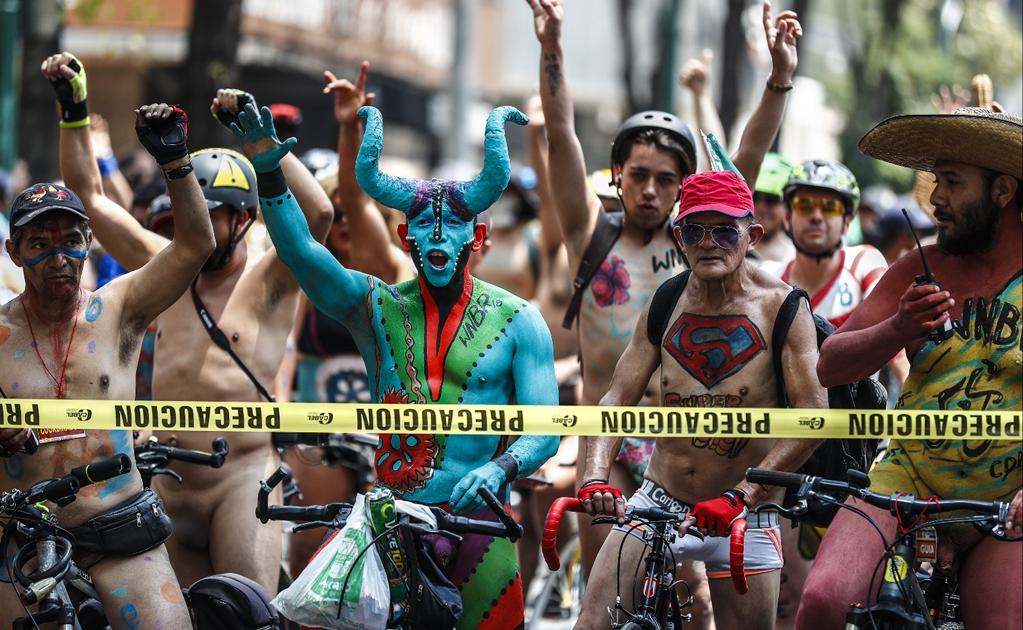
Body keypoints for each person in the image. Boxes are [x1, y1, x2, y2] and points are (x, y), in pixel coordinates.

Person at [237, 95, 559, 628]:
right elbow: (302, 254)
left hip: (485, 524)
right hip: (393, 526)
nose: (438, 235)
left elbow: (546, 428)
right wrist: (268, 171)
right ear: (405, 236)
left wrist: (499, 467)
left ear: (477, 237)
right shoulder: (376, 307)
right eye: (424, 226)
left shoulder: (520, 320)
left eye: (454, 225)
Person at [526, 0, 803, 604]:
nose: (650, 190)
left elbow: (743, 166)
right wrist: (552, 48)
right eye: (638, 175)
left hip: (682, 448)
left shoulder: (698, 246)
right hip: (610, 437)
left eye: (666, 179)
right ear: (617, 175)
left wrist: (780, 79)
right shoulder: (589, 235)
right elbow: (562, 135)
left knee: (694, 597)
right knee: (611, 588)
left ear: (684, 190)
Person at [51, 52, 334, 596]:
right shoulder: (165, 264)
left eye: (210, 212)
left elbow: (318, 214)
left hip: (242, 479)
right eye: (190, 209)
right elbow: (89, 198)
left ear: (243, 215)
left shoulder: (273, 274)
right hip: (167, 478)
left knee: (243, 611)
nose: (195, 221)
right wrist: (74, 110)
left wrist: (260, 140)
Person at [799, 107, 1023, 629]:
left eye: (951, 183)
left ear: (1003, 191)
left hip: (1007, 496)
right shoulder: (917, 269)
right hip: (906, 478)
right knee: (823, 601)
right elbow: (829, 366)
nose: (935, 201)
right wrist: (896, 329)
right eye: (933, 182)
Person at [576, 170, 828, 630]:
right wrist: (594, 478)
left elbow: (813, 416)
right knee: (593, 623)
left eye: (724, 230)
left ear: (752, 235)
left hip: (747, 513)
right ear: (680, 237)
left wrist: (743, 495)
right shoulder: (665, 301)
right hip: (661, 500)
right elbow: (615, 399)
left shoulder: (784, 307)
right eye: (695, 230)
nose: (709, 242)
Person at [0, 91, 215, 627]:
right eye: (39, 245)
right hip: (19, 535)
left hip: (118, 526)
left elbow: (193, 247)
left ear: (90, 242)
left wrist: (176, 163)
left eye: (70, 241)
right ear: (13, 253)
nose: (58, 258)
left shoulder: (117, 308)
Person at [770, 159, 888, 329]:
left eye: (830, 207)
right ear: (787, 217)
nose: (816, 216)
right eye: (804, 205)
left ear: (847, 221)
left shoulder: (864, 263)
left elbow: (888, 338)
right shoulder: (770, 278)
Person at [752, 152, 795, 263]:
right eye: (754, 197)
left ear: (788, 208)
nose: (760, 207)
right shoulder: (729, 250)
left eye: (771, 200)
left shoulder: (794, 259)